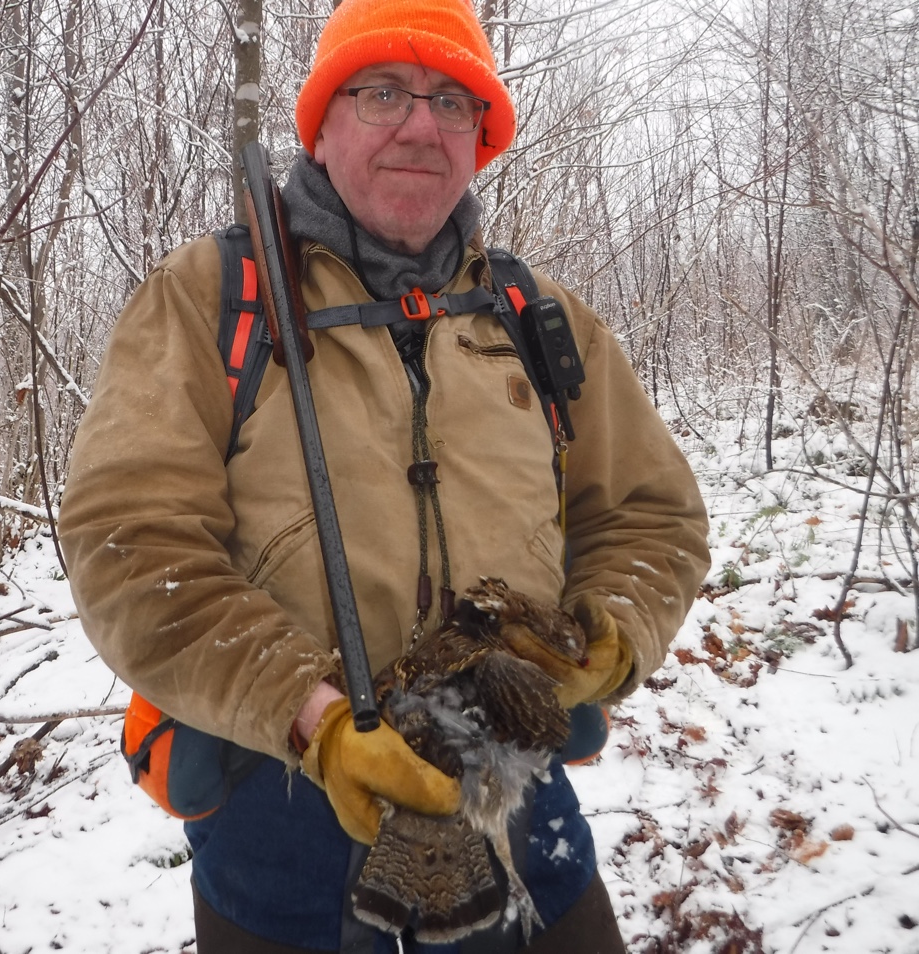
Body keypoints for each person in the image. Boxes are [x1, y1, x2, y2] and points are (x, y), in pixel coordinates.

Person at [58, 0, 711, 951]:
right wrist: (308, 715)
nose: (419, 123)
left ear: (480, 141)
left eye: (453, 101)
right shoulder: (213, 299)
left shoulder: (534, 314)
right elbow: (128, 545)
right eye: (381, 91)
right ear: (319, 124)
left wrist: (606, 635)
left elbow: (654, 518)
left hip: (519, 805)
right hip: (283, 821)